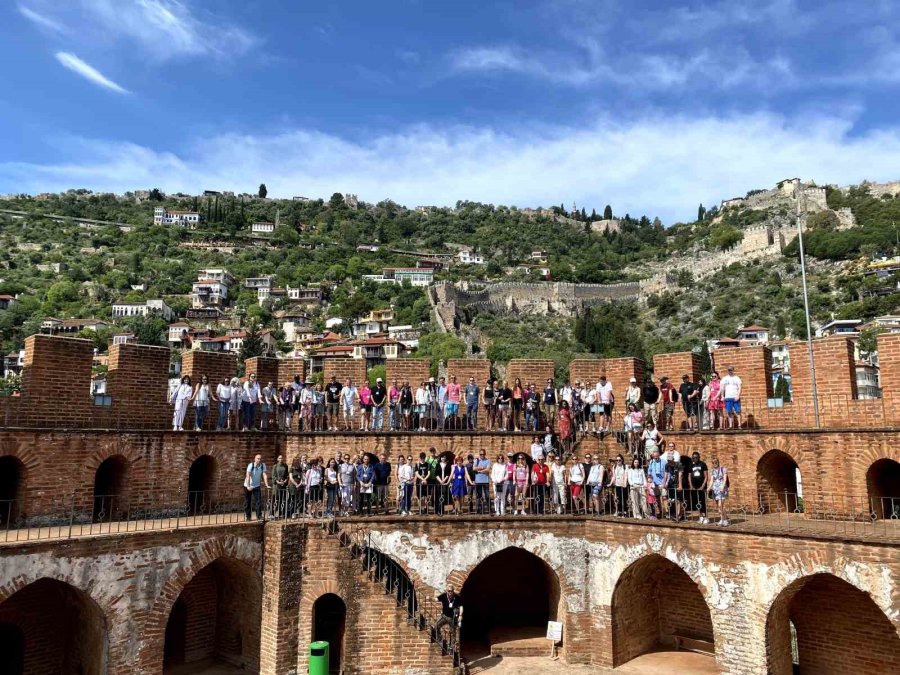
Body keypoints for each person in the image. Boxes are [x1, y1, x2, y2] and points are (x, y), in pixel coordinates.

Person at [243, 454, 270, 521]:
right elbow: (247, 476)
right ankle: (248, 516)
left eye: (260, 459)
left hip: (257, 485)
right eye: (258, 458)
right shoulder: (251, 465)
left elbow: (264, 475)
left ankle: (259, 516)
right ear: (255, 459)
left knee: (258, 501)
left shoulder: (263, 465)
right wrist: (248, 486)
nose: (259, 460)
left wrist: (267, 485)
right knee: (247, 501)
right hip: (248, 485)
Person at [688, 451, 710, 523]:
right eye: (693, 458)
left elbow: (706, 476)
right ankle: (701, 516)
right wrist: (691, 485)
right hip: (694, 486)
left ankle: (705, 516)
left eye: (696, 457)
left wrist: (703, 486)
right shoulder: (691, 465)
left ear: (699, 457)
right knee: (697, 502)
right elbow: (689, 476)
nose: (695, 459)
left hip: (702, 486)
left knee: (702, 501)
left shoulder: (703, 464)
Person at [646, 448, 666, 519]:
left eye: (657, 457)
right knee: (657, 499)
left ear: (659, 455)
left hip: (662, 483)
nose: (655, 458)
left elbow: (667, 473)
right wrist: (649, 479)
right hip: (654, 483)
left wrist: (665, 483)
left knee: (664, 498)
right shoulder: (652, 462)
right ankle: (660, 512)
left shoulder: (664, 462)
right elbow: (649, 471)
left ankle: (666, 512)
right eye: (654, 457)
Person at [710, 457, 730, 526]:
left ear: (718, 462)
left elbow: (725, 479)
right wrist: (709, 488)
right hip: (716, 490)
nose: (714, 464)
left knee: (720, 505)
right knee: (719, 507)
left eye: (716, 462)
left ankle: (725, 520)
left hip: (722, 490)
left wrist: (723, 487)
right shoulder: (712, 471)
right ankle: (722, 519)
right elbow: (711, 480)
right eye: (713, 463)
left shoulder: (723, 469)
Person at [472, 449, 491, 514]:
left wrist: (479, 471)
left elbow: (488, 470)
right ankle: (480, 510)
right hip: (478, 481)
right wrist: (482, 468)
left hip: (485, 481)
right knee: (479, 496)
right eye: (481, 454)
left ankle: (489, 510)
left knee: (487, 496)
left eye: (483, 454)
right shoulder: (476, 460)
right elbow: (474, 468)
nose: (482, 455)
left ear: (485, 454)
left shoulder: (488, 460)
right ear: (479, 454)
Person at [271, 454, 290, 519]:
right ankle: (272, 513)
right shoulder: (275, 466)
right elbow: (273, 475)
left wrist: (285, 481)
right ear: (277, 459)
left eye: (282, 458)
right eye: (279, 458)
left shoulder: (285, 466)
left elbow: (287, 475)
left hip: (283, 485)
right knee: (275, 499)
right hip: (276, 485)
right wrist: (277, 481)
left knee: (282, 499)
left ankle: (281, 513)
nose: (281, 459)